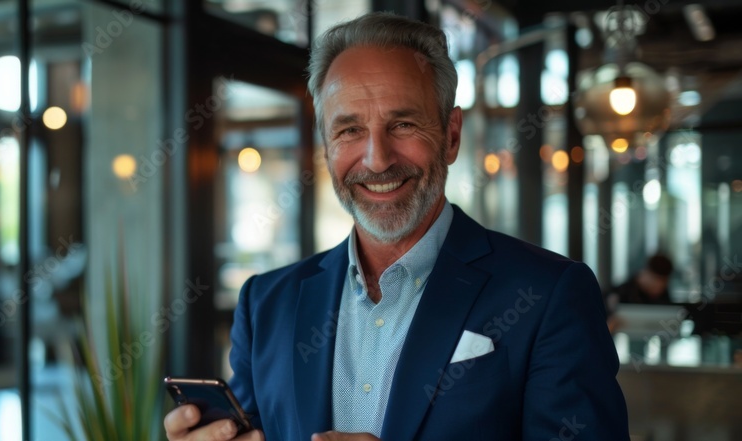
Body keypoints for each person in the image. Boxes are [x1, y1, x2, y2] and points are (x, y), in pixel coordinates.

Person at [165, 12, 628, 441]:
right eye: (349, 130)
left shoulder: (550, 295)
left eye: (403, 124)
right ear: (326, 147)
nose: (377, 159)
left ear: (450, 135)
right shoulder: (265, 304)